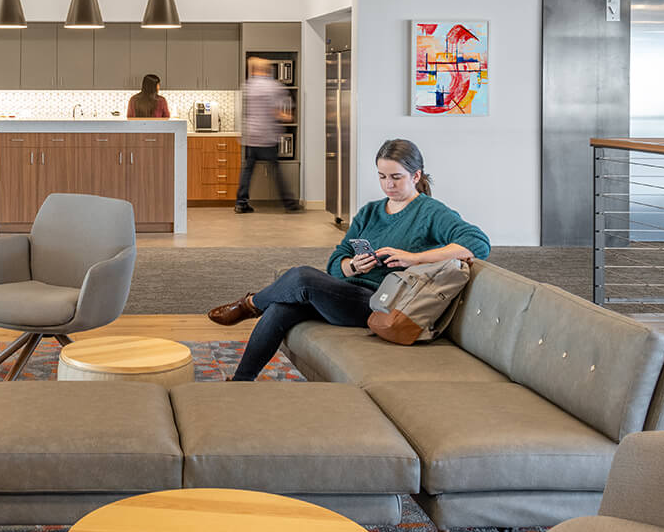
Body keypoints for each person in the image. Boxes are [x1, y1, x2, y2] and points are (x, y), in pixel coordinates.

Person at [208, 138, 490, 381]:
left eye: (396, 177)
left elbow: (478, 243)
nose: (388, 185)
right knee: (281, 308)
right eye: (382, 176)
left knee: (302, 276)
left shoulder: (430, 212)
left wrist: (414, 258)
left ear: (416, 176)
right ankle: (241, 382)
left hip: (382, 303)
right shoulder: (370, 212)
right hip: (349, 294)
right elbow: (337, 260)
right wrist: (352, 265)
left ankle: (250, 304)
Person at [237, 58, 299, 213]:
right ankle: (289, 203)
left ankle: (241, 202)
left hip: (251, 136)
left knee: (247, 171)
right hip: (267, 136)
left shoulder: (248, 86)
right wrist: (286, 116)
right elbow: (278, 111)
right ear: (268, 70)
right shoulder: (274, 86)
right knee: (276, 171)